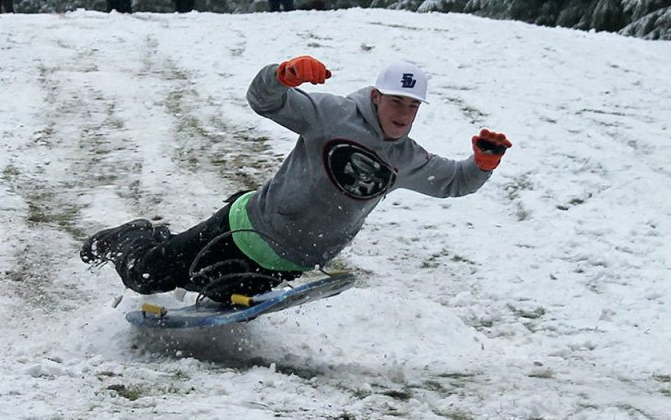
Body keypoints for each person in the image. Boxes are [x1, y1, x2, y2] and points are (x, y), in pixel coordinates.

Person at [81, 56, 513, 302]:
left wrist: (483, 163)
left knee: (221, 293)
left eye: (413, 107)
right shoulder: (331, 115)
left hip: (293, 262)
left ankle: (191, 270)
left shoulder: (405, 158)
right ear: (377, 97)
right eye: (396, 102)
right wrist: (282, 76)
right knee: (147, 277)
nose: (403, 114)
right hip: (244, 230)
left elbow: (454, 182)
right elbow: (263, 101)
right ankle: (134, 238)